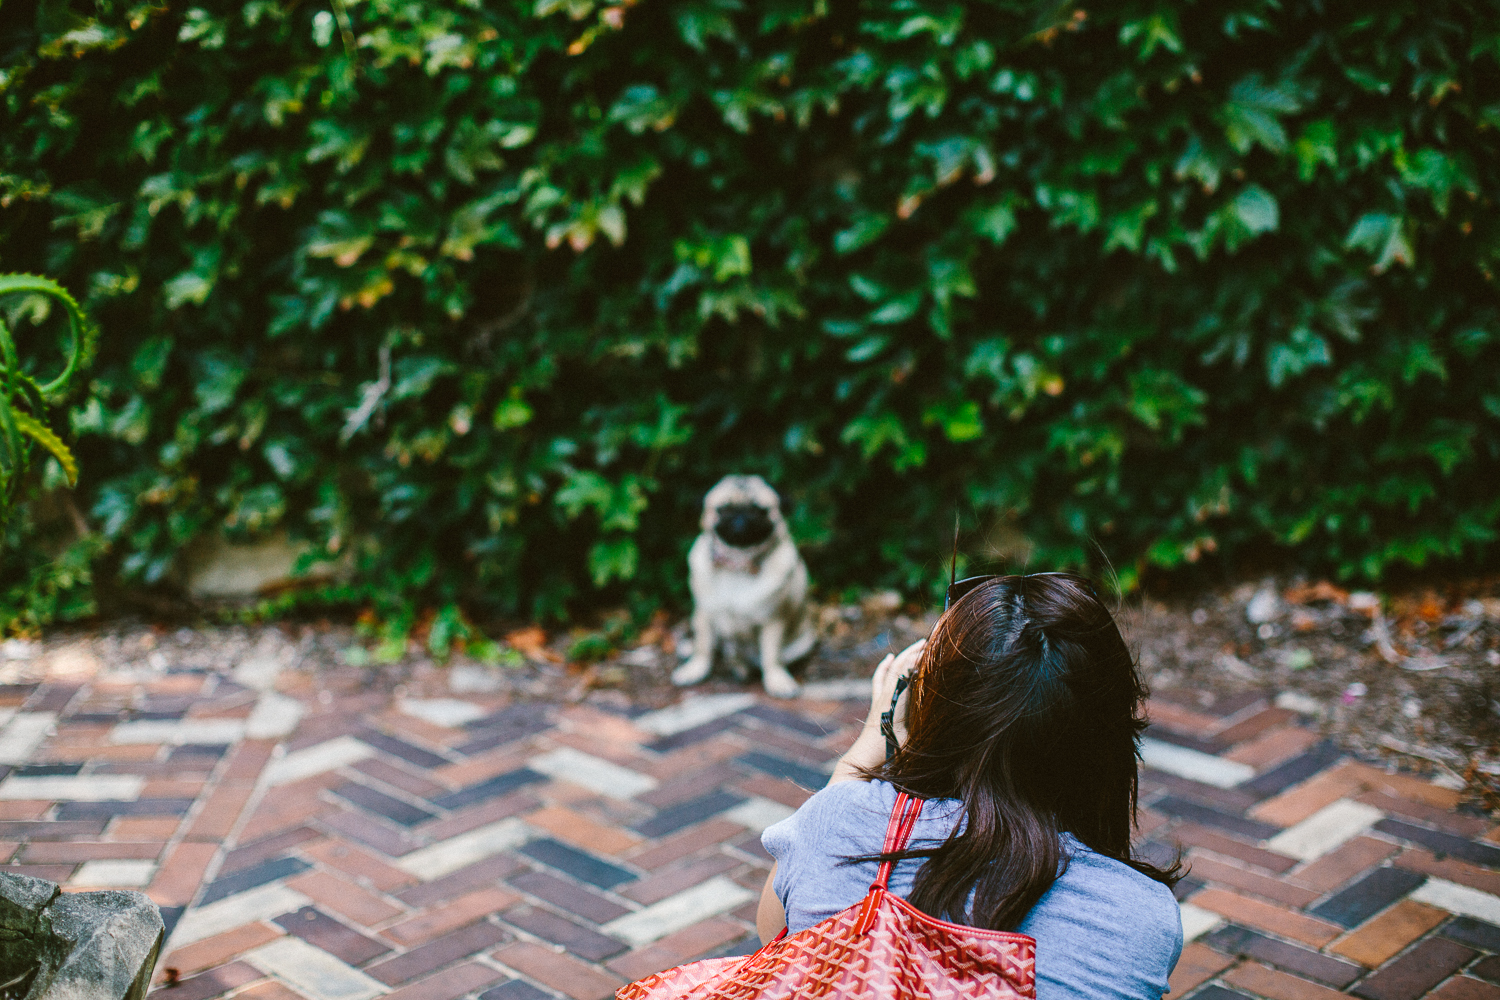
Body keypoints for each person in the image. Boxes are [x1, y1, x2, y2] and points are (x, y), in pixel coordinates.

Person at [756, 572, 1184, 1000]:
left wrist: (873, 740)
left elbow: (776, 938)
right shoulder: (1141, 917)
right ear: (1108, 744)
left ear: (935, 712)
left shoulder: (836, 822)